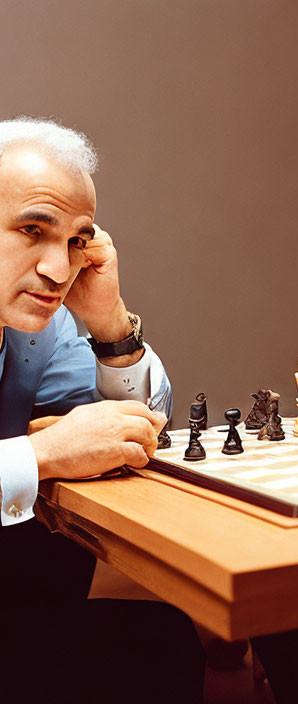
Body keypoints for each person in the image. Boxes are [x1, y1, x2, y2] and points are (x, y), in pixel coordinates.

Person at [0, 117, 205, 703]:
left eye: (75, 241)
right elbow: (65, 447)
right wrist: (40, 455)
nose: (59, 270)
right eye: (32, 230)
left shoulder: (45, 324)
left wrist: (109, 320)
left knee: (163, 643)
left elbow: (132, 428)